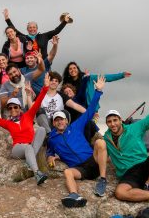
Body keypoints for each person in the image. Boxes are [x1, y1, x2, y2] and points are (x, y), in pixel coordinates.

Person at [103, 89, 149, 212]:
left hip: (144, 166)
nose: (113, 124)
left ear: (120, 120)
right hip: (128, 174)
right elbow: (99, 153)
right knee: (120, 192)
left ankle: (148, 184)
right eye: (109, 121)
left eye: (115, 120)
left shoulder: (135, 128)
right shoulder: (106, 139)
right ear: (106, 124)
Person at [0, 73, 51, 185]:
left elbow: (38, 102)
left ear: (20, 108)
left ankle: (29, 161)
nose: (13, 109)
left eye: (15, 107)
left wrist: (45, 87)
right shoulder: (7, 123)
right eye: (10, 107)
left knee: (41, 129)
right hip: (18, 148)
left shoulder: (28, 116)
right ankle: (37, 173)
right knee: (28, 148)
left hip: (31, 146)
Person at [46, 75, 108, 208]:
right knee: (67, 172)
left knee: (100, 143)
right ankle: (75, 196)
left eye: (61, 119)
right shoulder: (51, 138)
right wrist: (50, 156)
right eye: (56, 120)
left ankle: (102, 179)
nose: (60, 122)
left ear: (66, 121)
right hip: (80, 169)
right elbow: (49, 151)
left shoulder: (75, 126)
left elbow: (89, 111)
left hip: (93, 160)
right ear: (53, 123)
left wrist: (98, 92)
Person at [3, 8, 72, 59]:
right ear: (27, 29)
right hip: (29, 64)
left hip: (44, 62)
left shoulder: (44, 36)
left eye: (34, 27)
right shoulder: (23, 38)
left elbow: (56, 31)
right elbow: (14, 30)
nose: (32, 29)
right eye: (30, 27)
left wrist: (64, 22)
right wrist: (7, 19)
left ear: (37, 28)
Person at [62, 61, 132, 110]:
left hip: (91, 107)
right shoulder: (67, 84)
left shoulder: (88, 78)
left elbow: (105, 77)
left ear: (78, 69)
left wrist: (121, 75)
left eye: (74, 68)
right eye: (70, 69)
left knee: (91, 128)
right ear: (68, 72)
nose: (72, 70)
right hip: (77, 108)